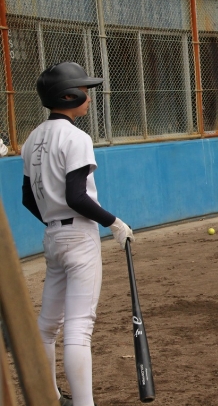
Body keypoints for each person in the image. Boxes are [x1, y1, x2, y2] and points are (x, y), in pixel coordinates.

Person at [22, 62, 135, 406]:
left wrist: (53, 221)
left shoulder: (32, 138)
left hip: (52, 238)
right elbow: (76, 196)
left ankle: (50, 397)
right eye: (84, 90)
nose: (89, 95)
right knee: (78, 328)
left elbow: (27, 198)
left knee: (47, 325)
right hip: (79, 238)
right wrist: (114, 222)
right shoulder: (76, 137)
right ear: (68, 96)